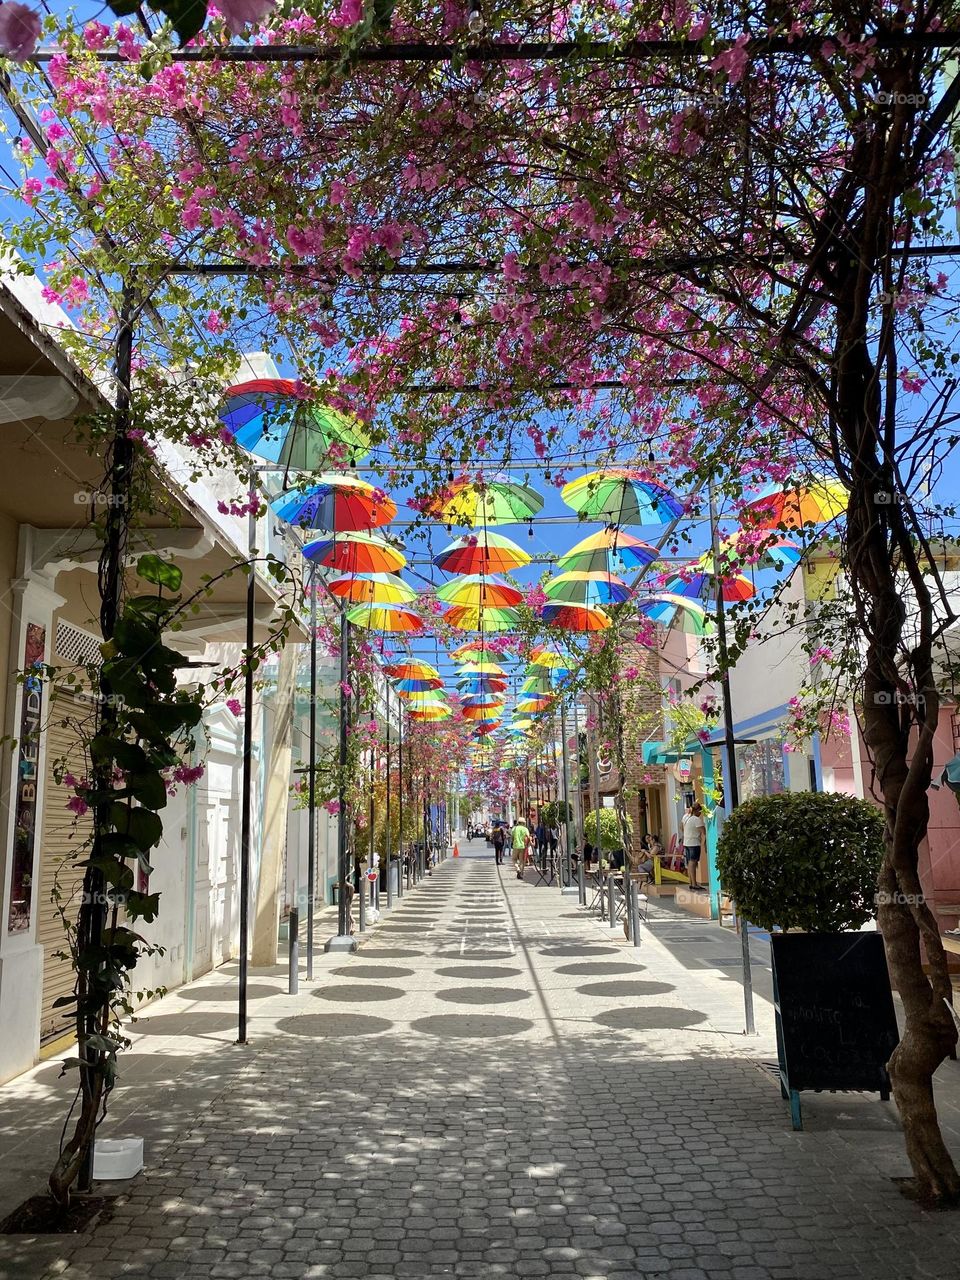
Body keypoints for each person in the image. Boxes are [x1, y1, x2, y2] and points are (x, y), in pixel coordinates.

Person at [681, 802, 707, 889]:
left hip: (686, 843)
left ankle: (691, 882)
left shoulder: (685, 817)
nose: (700, 813)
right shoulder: (696, 820)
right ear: (697, 810)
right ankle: (694, 884)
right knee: (693, 862)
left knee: (689, 863)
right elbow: (704, 831)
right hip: (694, 843)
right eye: (700, 811)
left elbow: (681, 827)